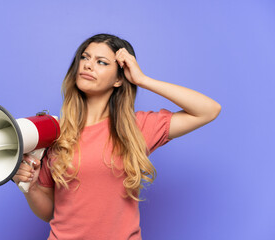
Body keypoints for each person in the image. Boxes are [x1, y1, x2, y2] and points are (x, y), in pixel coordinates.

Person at [12, 33, 221, 239]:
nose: (88, 65)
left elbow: (208, 110)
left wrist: (142, 80)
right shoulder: (55, 132)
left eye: (101, 62)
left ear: (119, 79)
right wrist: (31, 187)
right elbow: (49, 213)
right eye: (84, 57)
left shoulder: (135, 128)